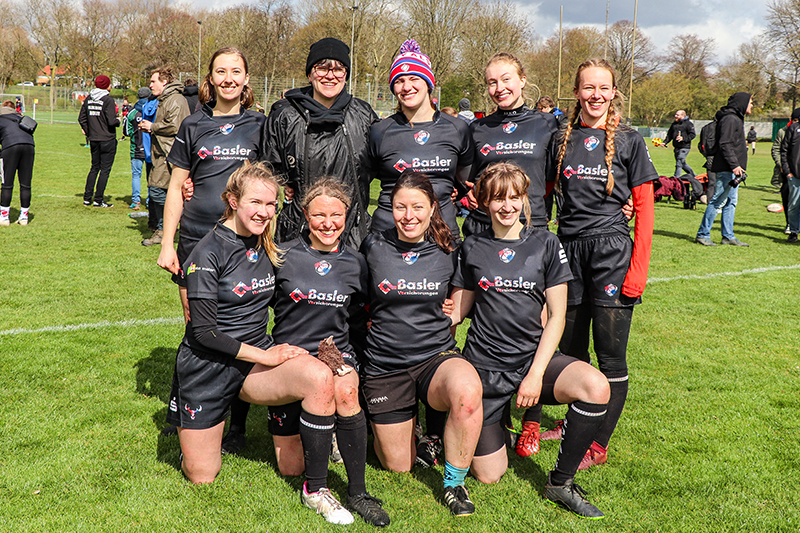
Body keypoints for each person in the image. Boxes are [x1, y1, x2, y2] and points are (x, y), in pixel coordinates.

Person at [166, 161, 355, 525]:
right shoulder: (208, 252)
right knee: (202, 475)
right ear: (233, 201)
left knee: (318, 378)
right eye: (255, 202)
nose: (265, 212)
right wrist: (267, 355)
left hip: (253, 363)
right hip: (208, 365)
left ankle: (315, 490)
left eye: (271, 204)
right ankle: (191, 434)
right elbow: (203, 332)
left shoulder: (264, 243)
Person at [449, 162, 610, 519]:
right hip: (485, 368)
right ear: (484, 203)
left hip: (531, 360)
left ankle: (561, 482)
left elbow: (557, 316)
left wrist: (535, 375)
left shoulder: (546, 243)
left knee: (596, 386)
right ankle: (498, 425)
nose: (507, 206)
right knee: (489, 475)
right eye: (498, 199)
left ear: (525, 199)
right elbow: (458, 310)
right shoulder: (472, 245)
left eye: (514, 197)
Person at [547, 58, 656, 471]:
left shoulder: (629, 139)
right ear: (576, 92)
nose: (596, 95)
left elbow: (645, 209)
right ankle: (575, 422)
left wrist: (638, 271)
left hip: (611, 253)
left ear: (614, 93)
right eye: (588, 87)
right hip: (568, 252)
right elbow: (543, 195)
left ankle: (598, 443)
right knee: (572, 351)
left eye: (603, 88)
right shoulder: (561, 137)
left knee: (610, 358)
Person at [359, 172, 483, 517]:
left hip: (434, 357)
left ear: (432, 208)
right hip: (386, 365)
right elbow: (356, 296)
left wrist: (453, 311)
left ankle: (454, 484)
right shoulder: (373, 246)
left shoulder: (449, 250)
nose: (408, 216)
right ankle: (404, 426)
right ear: (390, 208)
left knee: (467, 391)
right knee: (398, 465)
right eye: (400, 207)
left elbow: (466, 292)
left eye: (417, 207)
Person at [268, 178, 390, 526]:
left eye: (336, 215)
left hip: (335, 355)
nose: (328, 223)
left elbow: (362, 315)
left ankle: (354, 492)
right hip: (291, 358)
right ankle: (323, 431)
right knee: (290, 466)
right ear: (306, 215)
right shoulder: (282, 255)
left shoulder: (356, 262)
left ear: (347, 215)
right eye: (319, 215)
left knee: (346, 390)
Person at [158, 47, 266, 322]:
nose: (229, 79)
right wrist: (167, 243)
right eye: (221, 72)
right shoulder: (192, 125)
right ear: (211, 78)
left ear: (246, 78)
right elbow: (176, 187)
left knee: (241, 320)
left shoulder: (260, 124)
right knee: (195, 320)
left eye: (236, 72)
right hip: (197, 236)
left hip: (244, 241)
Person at [265, 37, 377, 248]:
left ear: (346, 75)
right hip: (297, 236)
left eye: (338, 69)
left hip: (353, 238)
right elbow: (268, 168)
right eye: (322, 68)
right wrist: (288, 183)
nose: (330, 75)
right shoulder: (284, 116)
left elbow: (386, 164)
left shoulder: (364, 116)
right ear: (310, 74)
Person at [369, 39, 473, 241]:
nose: (406, 87)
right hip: (389, 237)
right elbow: (362, 183)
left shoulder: (457, 128)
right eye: (399, 81)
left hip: (442, 234)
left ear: (428, 83)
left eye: (414, 78)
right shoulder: (380, 131)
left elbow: (465, 181)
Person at [464, 53, 559, 238]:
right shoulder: (477, 127)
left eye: (506, 79)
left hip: (530, 223)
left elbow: (552, 178)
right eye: (492, 82)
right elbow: (466, 179)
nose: (500, 88)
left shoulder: (547, 123)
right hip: (485, 225)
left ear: (522, 80)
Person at [139, 68, 190, 246]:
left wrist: (152, 127)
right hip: (162, 152)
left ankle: (173, 225)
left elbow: (176, 126)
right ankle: (164, 230)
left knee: (158, 191)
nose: (150, 85)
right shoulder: (165, 99)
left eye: (153, 81)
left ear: (165, 82)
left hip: (170, 153)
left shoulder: (176, 99)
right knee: (159, 191)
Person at [695, 92, 752, 247]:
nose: (752, 105)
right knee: (718, 201)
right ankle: (703, 234)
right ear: (742, 102)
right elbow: (725, 143)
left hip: (734, 170)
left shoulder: (735, 118)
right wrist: (734, 165)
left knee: (731, 202)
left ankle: (728, 236)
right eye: (750, 102)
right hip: (728, 169)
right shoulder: (730, 119)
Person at [78, 75, 120, 208]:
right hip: (107, 139)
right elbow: (111, 121)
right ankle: (98, 200)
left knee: (94, 168)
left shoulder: (89, 98)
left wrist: (89, 132)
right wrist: (118, 121)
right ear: (106, 86)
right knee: (105, 170)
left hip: (94, 139)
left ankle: (87, 198)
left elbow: (81, 118)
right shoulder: (108, 100)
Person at [0, 100, 35, 225]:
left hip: (10, 146)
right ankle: (24, 217)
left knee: (7, 183)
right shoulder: (21, 118)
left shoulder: (1, 119)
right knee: (25, 184)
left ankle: (4, 217)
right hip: (29, 146)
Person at [125, 87, 151, 210]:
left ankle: (136, 201)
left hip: (136, 148)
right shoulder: (153, 110)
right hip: (151, 149)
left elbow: (126, 131)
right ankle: (151, 202)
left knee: (136, 175)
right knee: (151, 177)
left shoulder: (132, 113)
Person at [774, 111, 799, 233]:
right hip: (788, 172)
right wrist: (783, 166)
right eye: (794, 120)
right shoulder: (783, 131)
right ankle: (790, 225)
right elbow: (777, 150)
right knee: (789, 199)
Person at [779, 108, 800, 244]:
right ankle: (793, 231)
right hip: (795, 174)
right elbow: (784, 151)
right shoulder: (793, 129)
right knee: (793, 205)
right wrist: (788, 172)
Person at [664, 110, 696, 178]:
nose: (675, 116)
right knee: (682, 163)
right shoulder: (674, 124)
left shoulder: (688, 124)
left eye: (677, 115)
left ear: (683, 116)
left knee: (679, 162)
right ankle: (694, 176)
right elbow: (670, 135)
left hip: (684, 147)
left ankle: (676, 178)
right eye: (676, 114)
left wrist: (683, 138)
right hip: (676, 147)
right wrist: (665, 142)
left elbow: (692, 135)